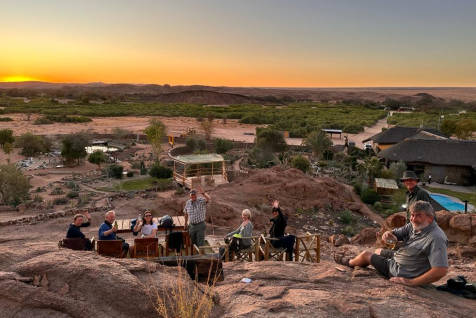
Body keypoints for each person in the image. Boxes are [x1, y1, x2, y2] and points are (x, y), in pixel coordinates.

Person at [335, 201, 448, 286]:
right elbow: (396, 233)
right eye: (412, 215)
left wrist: (411, 282)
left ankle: (349, 262)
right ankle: (358, 261)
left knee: (366, 254)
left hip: (400, 270)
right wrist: (388, 234)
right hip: (401, 257)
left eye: (418, 215)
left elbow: (441, 270)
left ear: (430, 218)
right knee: (378, 251)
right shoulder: (414, 225)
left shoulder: (436, 238)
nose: (413, 219)